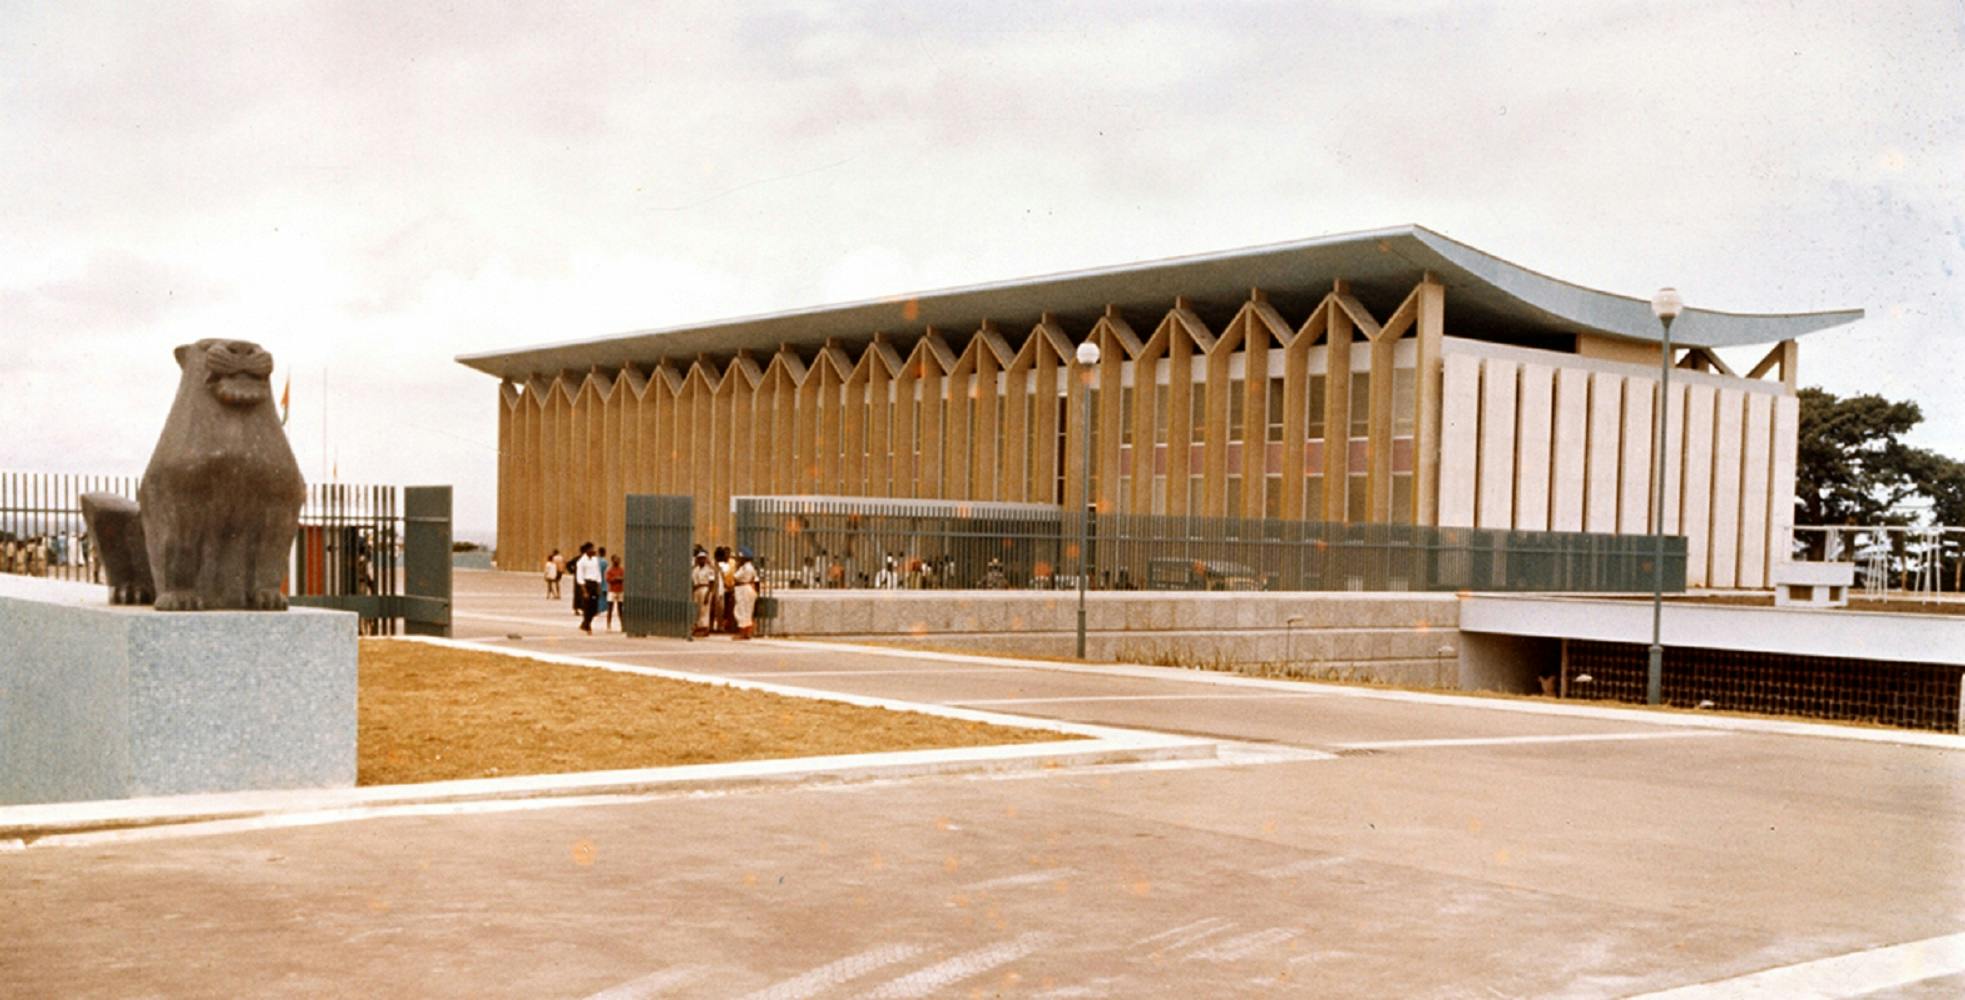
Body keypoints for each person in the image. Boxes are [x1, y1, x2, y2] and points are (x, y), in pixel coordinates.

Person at [731, 547, 761, 640]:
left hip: (744, 589)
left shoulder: (746, 567)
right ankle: (746, 632)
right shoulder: (748, 567)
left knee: (742, 611)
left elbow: (736, 577)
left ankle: (743, 633)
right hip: (744, 589)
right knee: (746, 611)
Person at [574, 542, 602, 634]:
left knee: (594, 608)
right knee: (587, 606)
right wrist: (584, 591)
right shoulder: (581, 562)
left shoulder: (595, 560)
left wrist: (598, 585)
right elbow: (580, 576)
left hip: (594, 584)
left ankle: (585, 623)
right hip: (587, 584)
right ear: (587, 550)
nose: (594, 551)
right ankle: (588, 626)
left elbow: (598, 573)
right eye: (592, 549)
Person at [690, 548, 717, 637]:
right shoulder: (695, 569)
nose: (701, 560)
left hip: (705, 589)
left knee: (705, 610)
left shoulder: (709, 570)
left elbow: (711, 583)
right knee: (697, 610)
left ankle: (705, 628)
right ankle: (698, 627)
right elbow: (693, 581)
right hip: (697, 589)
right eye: (700, 558)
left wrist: (708, 594)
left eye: (703, 558)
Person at [604, 553, 625, 631]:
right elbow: (608, 580)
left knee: (620, 609)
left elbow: (623, 577)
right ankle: (608, 625)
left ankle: (622, 625)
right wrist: (615, 579)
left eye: (619, 559)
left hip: (620, 590)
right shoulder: (609, 570)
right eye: (616, 559)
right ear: (613, 560)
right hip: (612, 590)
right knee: (610, 608)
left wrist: (620, 579)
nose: (618, 561)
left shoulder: (621, 569)